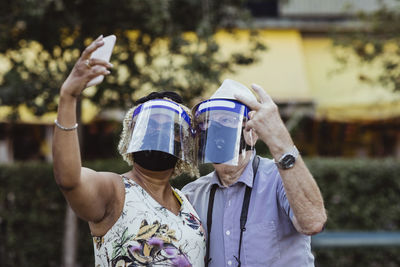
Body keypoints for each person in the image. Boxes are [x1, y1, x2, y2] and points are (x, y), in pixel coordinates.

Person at [53, 35, 205, 267]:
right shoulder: (115, 191)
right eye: (151, 125)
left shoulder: (188, 201)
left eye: (170, 128)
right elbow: (69, 180)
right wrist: (68, 98)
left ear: (184, 143)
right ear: (132, 137)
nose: (159, 134)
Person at [182, 79, 327, 267]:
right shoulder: (192, 195)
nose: (215, 128)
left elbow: (313, 222)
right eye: (209, 122)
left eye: (227, 120)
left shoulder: (280, 178)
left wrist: (279, 138)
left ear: (253, 132)